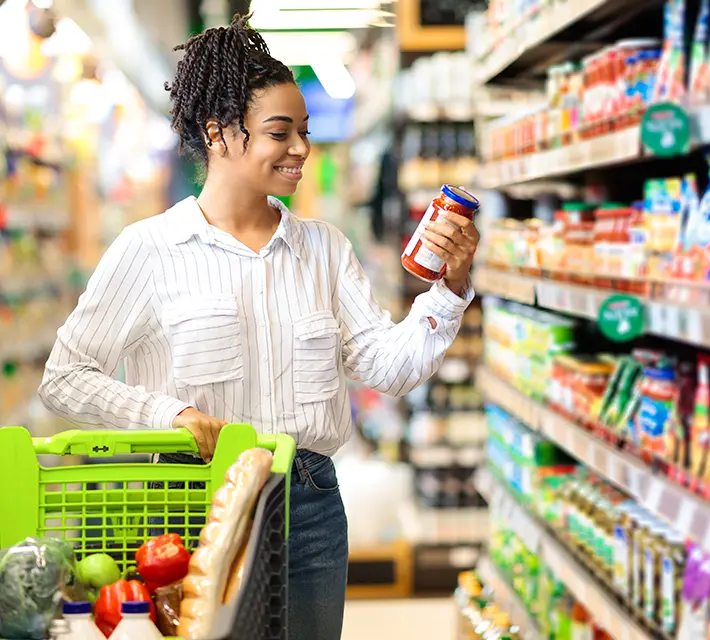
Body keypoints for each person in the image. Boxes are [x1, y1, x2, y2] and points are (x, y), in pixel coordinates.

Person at [39, 14, 480, 640]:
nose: (301, 148)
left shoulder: (324, 249)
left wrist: (451, 288)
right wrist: (169, 416)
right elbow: (65, 378)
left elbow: (388, 367)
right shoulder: (150, 249)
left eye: (303, 131)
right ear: (219, 134)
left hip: (308, 507)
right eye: (280, 132)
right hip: (188, 502)